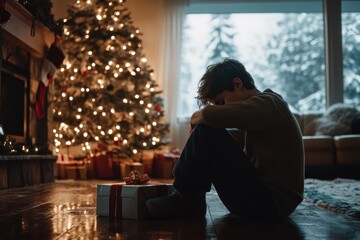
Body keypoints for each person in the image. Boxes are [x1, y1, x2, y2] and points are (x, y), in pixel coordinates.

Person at [146, 58, 304, 219]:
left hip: (270, 203)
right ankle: (187, 196)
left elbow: (208, 115)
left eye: (221, 102)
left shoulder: (268, 103)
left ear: (237, 84)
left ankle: (186, 199)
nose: (221, 107)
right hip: (266, 201)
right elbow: (223, 141)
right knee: (208, 131)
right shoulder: (261, 112)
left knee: (206, 130)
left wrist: (196, 118)